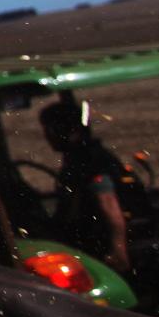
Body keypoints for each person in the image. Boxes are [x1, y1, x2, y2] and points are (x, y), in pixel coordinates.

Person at [39, 100, 133, 272]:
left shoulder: (90, 161)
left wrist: (118, 249)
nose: (47, 136)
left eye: (51, 129)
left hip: (98, 244)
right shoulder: (75, 158)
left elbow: (108, 202)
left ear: (70, 130)